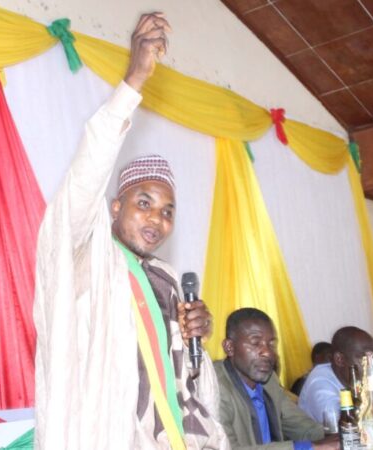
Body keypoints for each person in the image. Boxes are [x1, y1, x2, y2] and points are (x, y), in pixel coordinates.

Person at [33, 12, 227, 449]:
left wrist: (196, 340)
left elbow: (183, 386)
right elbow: (86, 175)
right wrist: (134, 80)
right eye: (144, 204)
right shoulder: (85, 254)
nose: (157, 220)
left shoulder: (169, 278)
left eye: (167, 211)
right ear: (114, 207)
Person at [215, 308, 338, 450]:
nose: (267, 352)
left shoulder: (269, 381)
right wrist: (309, 447)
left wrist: (342, 435)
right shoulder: (215, 387)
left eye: (271, 344)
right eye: (256, 343)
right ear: (229, 347)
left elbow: (303, 427)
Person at [298, 326, 373, 422]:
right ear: (340, 359)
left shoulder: (364, 377)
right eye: (364, 359)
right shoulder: (320, 384)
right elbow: (347, 427)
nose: (372, 365)